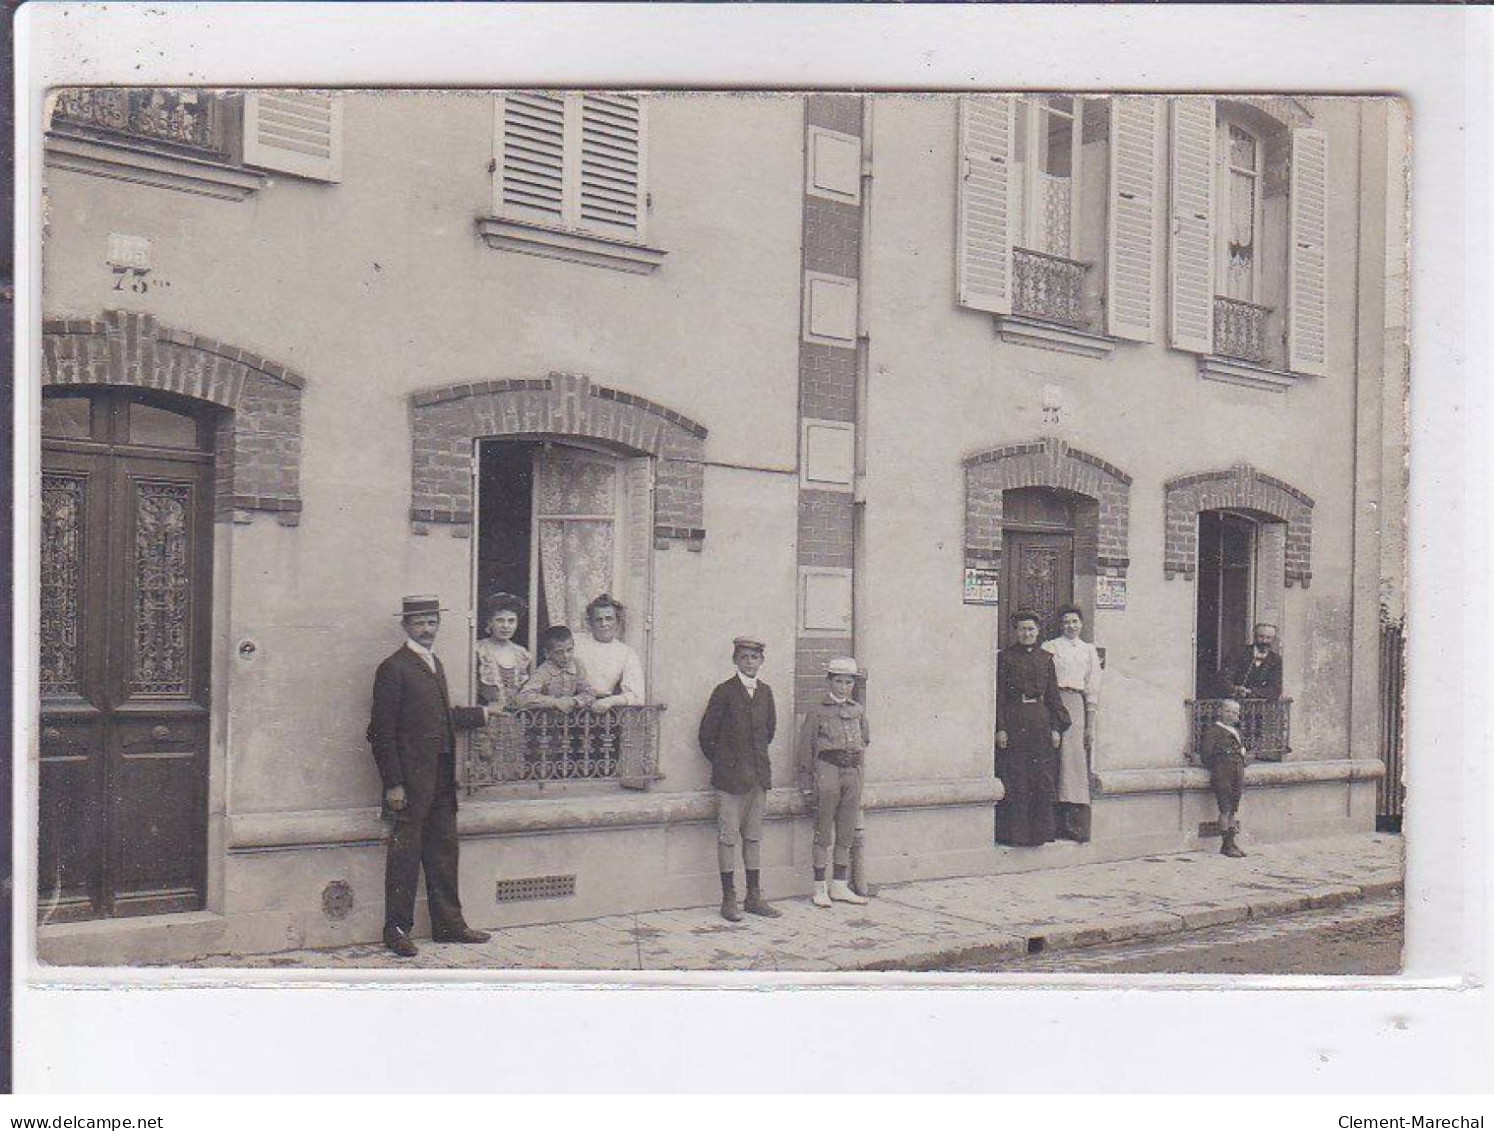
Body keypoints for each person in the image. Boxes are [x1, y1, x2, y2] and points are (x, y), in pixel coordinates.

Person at [368, 595, 498, 958]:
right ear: (406, 626)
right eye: (421, 623)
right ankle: (396, 931)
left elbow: (440, 719)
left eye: (433, 622)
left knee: (444, 850)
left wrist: (482, 715)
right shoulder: (393, 668)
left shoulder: (435, 663)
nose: (428, 629)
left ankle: (448, 925)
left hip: (441, 776)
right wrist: (393, 782)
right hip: (409, 782)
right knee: (404, 856)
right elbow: (380, 731)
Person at [697, 636, 778, 921]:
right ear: (735, 660)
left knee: (753, 838)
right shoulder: (724, 691)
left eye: (754, 657)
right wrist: (727, 764)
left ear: (761, 661)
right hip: (730, 781)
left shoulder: (766, 693)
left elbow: (769, 731)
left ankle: (754, 896)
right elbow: (707, 737)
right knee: (728, 838)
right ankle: (728, 898)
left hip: (757, 778)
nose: (749, 662)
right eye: (743, 657)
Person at [797, 656, 871, 908]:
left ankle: (839, 885)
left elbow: (865, 740)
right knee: (823, 831)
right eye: (838, 681)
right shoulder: (818, 711)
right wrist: (806, 785)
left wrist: (859, 774)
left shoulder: (857, 710)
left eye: (848, 681)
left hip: (852, 773)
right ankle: (820, 887)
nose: (843, 686)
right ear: (829, 681)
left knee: (847, 830)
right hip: (827, 772)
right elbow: (805, 750)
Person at [994, 609, 1071, 847]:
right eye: (1022, 629)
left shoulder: (1046, 659)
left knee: (1041, 777)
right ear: (1015, 632)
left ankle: (1040, 833)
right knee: (1017, 776)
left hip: (1040, 720)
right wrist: (1001, 728)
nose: (1027, 633)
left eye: (1031, 629)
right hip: (1015, 718)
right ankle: (1016, 834)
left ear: (1038, 632)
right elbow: (999, 696)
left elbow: (1053, 695)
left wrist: (1056, 727)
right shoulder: (1006, 658)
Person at [1042, 604, 1102, 843]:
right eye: (1066, 622)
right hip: (1053, 701)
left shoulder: (1088, 650)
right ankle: (1050, 822)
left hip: (1076, 703)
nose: (1071, 626)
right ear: (1060, 625)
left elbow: (1093, 686)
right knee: (1053, 757)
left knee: (1074, 762)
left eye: (1075, 621)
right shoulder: (1051, 647)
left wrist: (1090, 724)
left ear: (1081, 624)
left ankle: (1073, 823)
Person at [572, 594, 646, 711]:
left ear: (617, 621)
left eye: (609, 619)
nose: (604, 624)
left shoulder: (626, 652)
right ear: (590, 622)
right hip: (571, 709)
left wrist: (611, 701)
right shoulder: (574, 642)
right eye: (598, 619)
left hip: (604, 713)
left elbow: (637, 695)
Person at [1199, 697, 1249, 858]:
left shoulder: (1236, 731)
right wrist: (1219, 766)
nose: (1231, 715)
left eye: (1235, 712)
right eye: (1228, 711)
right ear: (1220, 712)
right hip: (1223, 773)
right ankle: (1225, 845)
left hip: (1237, 771)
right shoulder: (1214, 730)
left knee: (1233, 809)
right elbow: (1206, 755)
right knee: (1225, 809)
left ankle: (1232, 842)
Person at [517, 625, 596, 710]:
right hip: (546, 720)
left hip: (573, 720)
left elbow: (589, 693)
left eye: (569, 650)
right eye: (559, 652)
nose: (566, 656)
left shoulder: (577, 665)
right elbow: (523, 697)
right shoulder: (543, 672)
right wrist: (554, 702)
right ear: (547, 653)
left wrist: (574, 701)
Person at [474, 591, 531, 708]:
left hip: (515, 719)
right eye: (500, 620)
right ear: (489, 622)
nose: (505, 626)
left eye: (511, 621)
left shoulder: (522, 654)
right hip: (486, 718)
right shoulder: (479, 649)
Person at [1217, 622, 1283, 701]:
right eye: (1261, 637)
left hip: (1262, 707)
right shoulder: (1238, 653)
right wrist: (1234, 688)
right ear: (1255, 637)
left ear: (1274, 639)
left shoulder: (1276, 660)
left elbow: (1275, 689)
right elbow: (1224, 676)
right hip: (1236, 704)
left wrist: (1251, 692)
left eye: (1268, 638)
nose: (1264, 641)